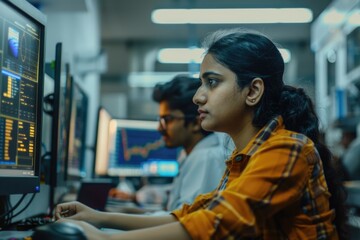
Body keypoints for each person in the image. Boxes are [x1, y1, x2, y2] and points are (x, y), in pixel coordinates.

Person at [55, 28, 348, 239]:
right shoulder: (243, 156)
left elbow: (216, 222)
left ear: (253, 91)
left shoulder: (288, 149)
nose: (198, 97)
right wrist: (97, 217)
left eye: (212, 82)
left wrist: (103, 238)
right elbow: (193, 214)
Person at [109, 74, 227, 212]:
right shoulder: (192, 154)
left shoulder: (205, 158)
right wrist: (134, 199)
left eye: (167, 119)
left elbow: (181, 223)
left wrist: (108, 218)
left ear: (196, 122)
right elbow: (173, 195)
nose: (160, 127)